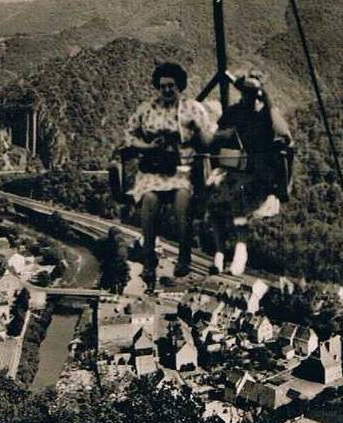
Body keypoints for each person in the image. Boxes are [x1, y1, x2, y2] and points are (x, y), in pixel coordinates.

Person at [115, 62, 214, 286]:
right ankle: (149, 259)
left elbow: (208, 141)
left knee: (182, 199)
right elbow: (128, 135)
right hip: (154, 167)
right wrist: (146, 147)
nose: (167, 90)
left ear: (180, 86)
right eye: (163, 86)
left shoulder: (193, 109)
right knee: (150, 200)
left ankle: (184, 256)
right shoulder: (146, 109)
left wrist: (199, 131)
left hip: (182, 168)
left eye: (171, 86)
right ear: (157, 87)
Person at [205, 69, 293, 276]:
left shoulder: (268, 115)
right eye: (245, 93)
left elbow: (285, 139)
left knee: (238, 201)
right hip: (234, 166)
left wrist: (268, 103)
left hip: (259, 173)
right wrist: (221, 135)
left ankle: (240, 252)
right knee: (213, 195)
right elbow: (218, 135)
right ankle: (218, 253)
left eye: (253, 94)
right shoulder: (236, 111)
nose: (248, 98)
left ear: (261, 94)